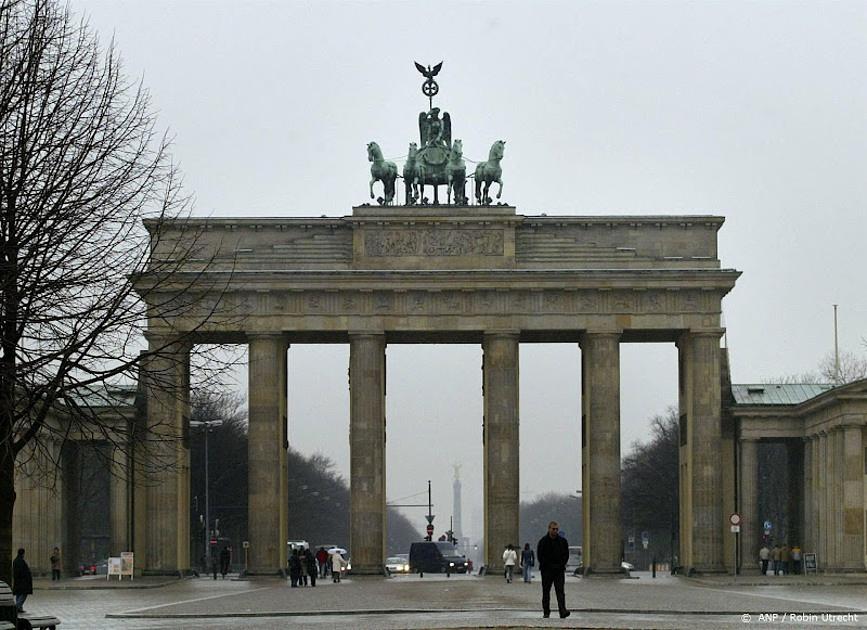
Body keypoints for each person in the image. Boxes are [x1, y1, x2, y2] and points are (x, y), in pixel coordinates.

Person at [537, 521, 570, 619]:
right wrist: (546, 565)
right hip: (547, 571)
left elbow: (566, 555)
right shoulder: (543, 541)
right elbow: (540, 556)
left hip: (559, 570)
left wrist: (561, 564)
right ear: (549, 529)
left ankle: (562, 611)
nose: (555, 531)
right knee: (546, 592)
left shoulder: (563, 541)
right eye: (553, 529)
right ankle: (546, 611)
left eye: (557, 529)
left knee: (560, 591)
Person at [12, 548, 33, 613]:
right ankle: (17, 607)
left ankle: (19, 609)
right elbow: (23, 571)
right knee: (23, 594)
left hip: (18, 581)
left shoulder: (15, 560)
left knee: (19, 594)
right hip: (23, 581)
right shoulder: (21, 561)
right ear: (23, 553)